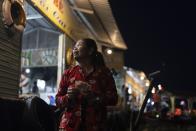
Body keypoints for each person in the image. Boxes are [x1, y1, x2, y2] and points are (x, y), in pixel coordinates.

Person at [56, 38, 118, 131]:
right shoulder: (68, 73)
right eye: (74, 47)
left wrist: (94, 97)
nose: (75, 49)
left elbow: (113, 99)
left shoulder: (104, 73)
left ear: (90, 51)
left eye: (79, 46)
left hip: (95, 126)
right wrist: (68, 97)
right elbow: (57, 100)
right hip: (69, 126)